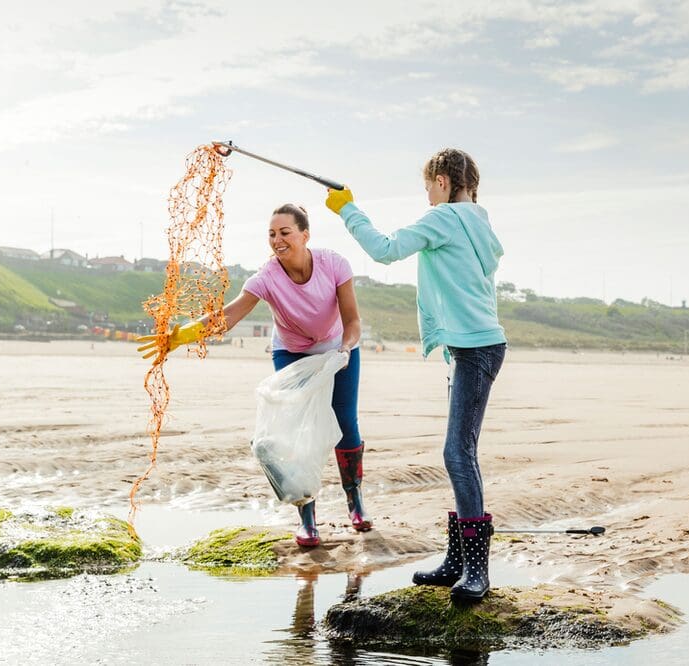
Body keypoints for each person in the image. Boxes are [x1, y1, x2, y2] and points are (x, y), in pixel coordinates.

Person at [325, 148, 506, 602]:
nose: (426, 195)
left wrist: (347, 208)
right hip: (475, 346)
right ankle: (459, 562)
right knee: (461, 452)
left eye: (428, 185)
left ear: (443, 181)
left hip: (475, 348)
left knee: (457, 453)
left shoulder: (445, 219)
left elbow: (385, 250)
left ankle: (476, 572)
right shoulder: (479, 222)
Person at [137, 203, 371, 547]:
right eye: (272, 234)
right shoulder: (266, 278)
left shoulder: (334, 264)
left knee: (345, 424)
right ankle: (307, 519)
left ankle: (356, 503)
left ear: (305, 235)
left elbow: (352, 320)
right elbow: (226, 317)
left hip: (339, 349)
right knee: (294, 433)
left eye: (285, 232)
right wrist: (181, 335)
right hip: (291, 353)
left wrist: (345, 348)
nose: (277, 240)